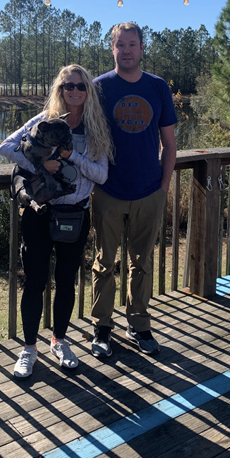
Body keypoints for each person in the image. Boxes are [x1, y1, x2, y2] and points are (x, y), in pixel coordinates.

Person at [0, 64, 113, 379]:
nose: (74, 91)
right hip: (39, 212)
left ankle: (59, 341)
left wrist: (70, 157)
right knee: (35, 282)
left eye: (80, 86)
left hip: (75, 215)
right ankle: (29, 349)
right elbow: (5, 148)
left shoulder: (96, 129)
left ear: (88, 91)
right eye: (67, 86)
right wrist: (40, 163)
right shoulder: (43, 120)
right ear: (60, 90)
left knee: (66, 281)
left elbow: (101, 174)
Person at [91, 22, 178, 358]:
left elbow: (169, 144)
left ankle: (139, 325)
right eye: (120, 45)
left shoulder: (157, 88)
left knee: (141, 263)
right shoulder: (98, 88)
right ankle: (102, 328)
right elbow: (77, 130)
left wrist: (163, 187)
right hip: (108, 190)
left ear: (142, 48)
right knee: (103, 263)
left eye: (132, 44)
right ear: (112, 49)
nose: (126, 50)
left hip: (148, 191)